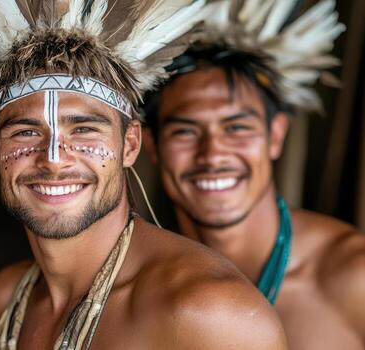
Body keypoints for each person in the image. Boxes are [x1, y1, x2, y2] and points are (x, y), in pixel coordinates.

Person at [0, 0, 287, 348]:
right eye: (26, 133)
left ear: (130, 144)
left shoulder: (210, 312)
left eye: (85, 131)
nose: (54, 160)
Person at [142, 0, 365, 348]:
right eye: (185, 132)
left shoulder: (352, 277)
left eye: (236, 127)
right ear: (149, 144)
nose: (212, 154)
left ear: (275, 135)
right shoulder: (135, 290)